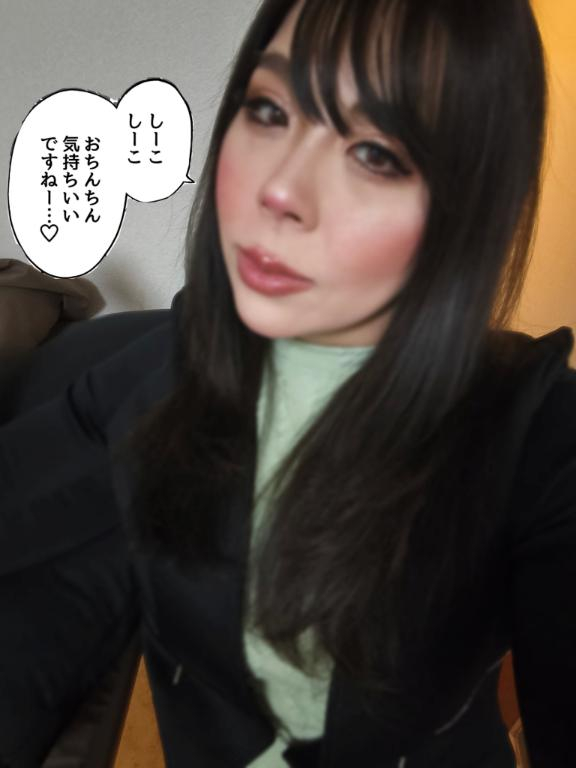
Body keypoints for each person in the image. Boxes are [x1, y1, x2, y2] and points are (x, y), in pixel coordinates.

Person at [1, 0, 575, 766]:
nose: (280, 188)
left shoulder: (536, 439)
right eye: (269, 110)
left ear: (468, 207)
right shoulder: (170, 362)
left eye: (375, 154)